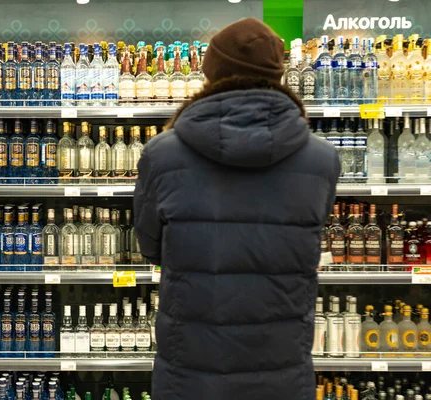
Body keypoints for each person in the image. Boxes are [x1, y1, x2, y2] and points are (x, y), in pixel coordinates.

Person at [133, 18, 340, 400]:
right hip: (281, 368)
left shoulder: (162, 153)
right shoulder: (322, 159)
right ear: (277, 74)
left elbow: (151, 247)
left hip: (191, 369)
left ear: (212, 73)